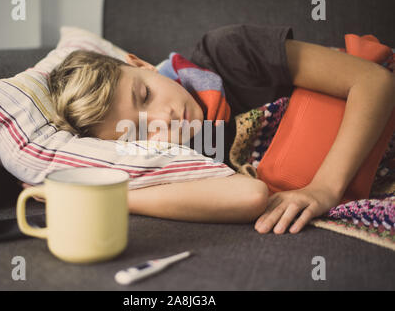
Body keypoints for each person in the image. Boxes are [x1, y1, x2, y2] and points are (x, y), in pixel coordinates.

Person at [25, 24, 395, 233]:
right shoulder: (172, 156)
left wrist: (325, 188)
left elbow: (374, 83)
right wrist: (104, 195)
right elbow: (250, 196)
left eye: (145, 95)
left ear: (141, 64)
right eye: (139, 133)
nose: (163, 120)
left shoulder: (229, 51)